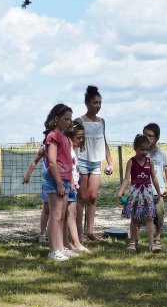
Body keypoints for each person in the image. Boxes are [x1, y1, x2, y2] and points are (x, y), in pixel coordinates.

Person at [75, 86, 114, 243]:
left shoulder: (102, 122)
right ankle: (78, 234)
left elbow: (103, 141)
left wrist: (110, 162)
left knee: (93, 197)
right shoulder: (79, 121)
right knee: (82, 197)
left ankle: (90, 231)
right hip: (82, 161)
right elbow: (74, 142)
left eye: (100, 103)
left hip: (96, 163)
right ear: (87, 103)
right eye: (94, 103)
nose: (97, 106)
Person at [117, 134, 162, 253]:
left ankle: (151, 244)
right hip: (135, 193)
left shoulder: (149, 161)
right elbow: (126, 179)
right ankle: (132, 242)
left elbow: (154, 178)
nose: (145, 152)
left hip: (147, 193)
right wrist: (120, 192)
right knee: (135, 218)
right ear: (135, 148)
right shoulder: (131, 162)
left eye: (147, 149)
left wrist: (158, 193)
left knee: (149, 218)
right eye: (142, 149)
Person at [43, 103, 74, 261]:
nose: (69, 122)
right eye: (66, 119)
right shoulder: (53, 136)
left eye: (70, 119)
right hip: (56, 180)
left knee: (62, 215)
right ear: (56, 119)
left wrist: (70, 181)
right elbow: (53, 162)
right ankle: (53, 250)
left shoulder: (65, 138)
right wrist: (60, 183)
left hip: (66, 179)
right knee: (55, 216)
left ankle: (61, 247)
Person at [63, 121, 92, 254]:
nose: (81, 140)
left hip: (73, 184)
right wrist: (72, 181)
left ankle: (71, 243)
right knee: (68, 214)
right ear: (70, 135)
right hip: (69, 184)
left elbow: (73, 166)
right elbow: (67, 167)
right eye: (78, 137)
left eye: (82, 138)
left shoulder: (73, 149)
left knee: (71, 214)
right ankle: (73, 243)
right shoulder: (67, 148)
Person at [143, 123, 167, 251]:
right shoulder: (141, 153)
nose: (147, 138)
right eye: (145, 135)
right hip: (143, 190)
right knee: (139, 216)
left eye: (150, 136)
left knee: (159, 214)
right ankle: (135, 238)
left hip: (158, 191)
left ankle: (157, 237)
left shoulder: (161, 154)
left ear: (157, 138)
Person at [22, 144, 49, 243]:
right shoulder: (45, 147)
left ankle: (56, 235)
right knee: (47, 208)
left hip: (62, 180)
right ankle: (42, 234)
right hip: (48, 181)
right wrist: (28, 175)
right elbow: (35, 161)